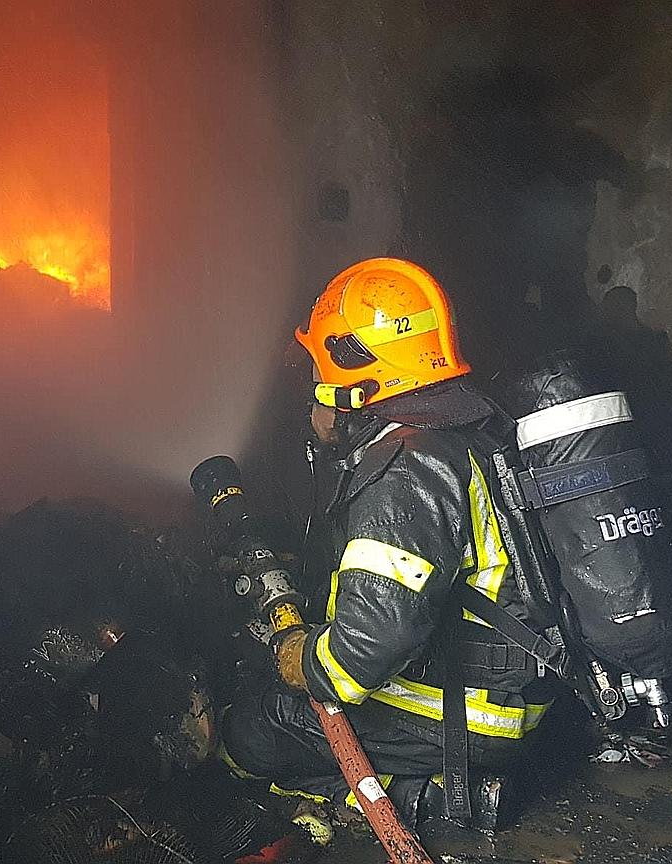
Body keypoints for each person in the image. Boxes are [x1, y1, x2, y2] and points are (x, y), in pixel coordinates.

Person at [218, 257, 560, 827]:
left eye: (318, 377)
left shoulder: (405, 469)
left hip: (465, 715)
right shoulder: (466, 431)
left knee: (254, 732)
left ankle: (434, 802)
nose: (312, 398)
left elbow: (357, 660)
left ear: (357, 379)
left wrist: (293, 655)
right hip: (514, 691)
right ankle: (425, 789)